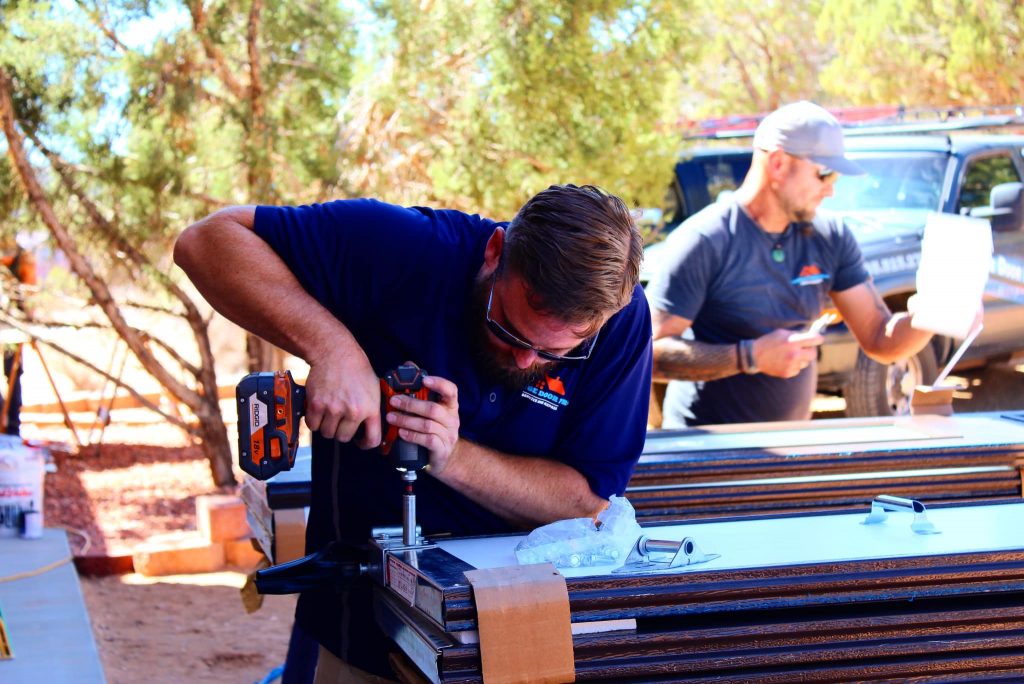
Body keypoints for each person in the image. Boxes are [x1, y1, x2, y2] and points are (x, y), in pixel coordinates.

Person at [173, 185, 652, 681]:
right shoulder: (409, 249)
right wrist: (334, 349)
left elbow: (589, 499)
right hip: (365, 625)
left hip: (524, 629)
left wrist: (451, 456)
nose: (527, 360)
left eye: (557, 353)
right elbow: (206, 241)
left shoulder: (622, 318)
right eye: (508, 329)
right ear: (495, 252)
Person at [647, 101, 937, 427]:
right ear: (778, 163)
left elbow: (879, 339)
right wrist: (749, 357)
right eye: (824, 173)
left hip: (790, 448)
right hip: (706, 451)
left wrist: (932, 317)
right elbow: (647, 354)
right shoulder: (704, 239)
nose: (831, 189)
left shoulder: (830, 236)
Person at [1, 241, 36, 436]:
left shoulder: (23, 259)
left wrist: (28, 322)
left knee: (13, 373)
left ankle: (13, 425)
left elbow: (30, 292)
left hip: (13, 328)